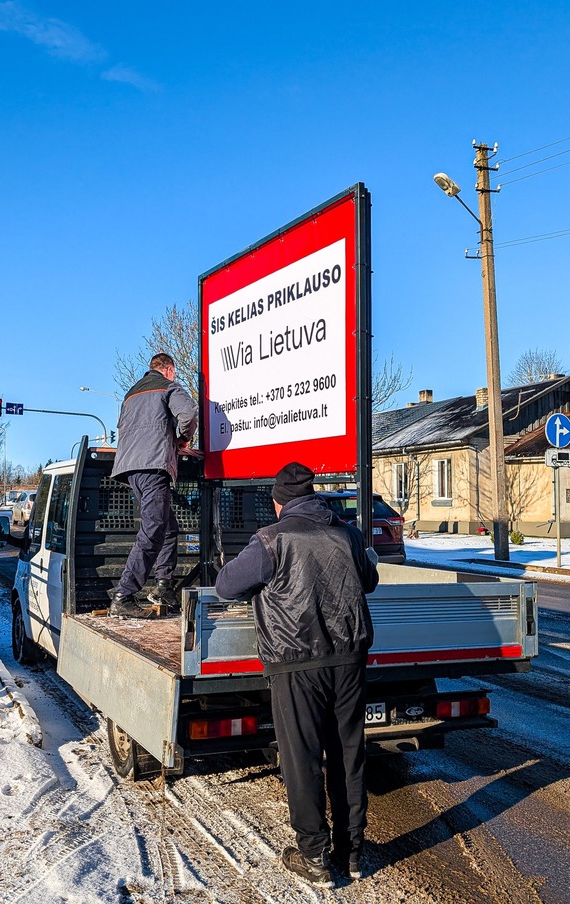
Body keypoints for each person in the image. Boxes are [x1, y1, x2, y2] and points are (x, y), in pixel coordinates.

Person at [214, 462, 379, 887]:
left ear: (278, 502)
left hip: (296, 662)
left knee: (302, 759)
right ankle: (353, 852)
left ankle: (314, 856)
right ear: (315, 496)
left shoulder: (271, 539)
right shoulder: (347, 533)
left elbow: (226, 585)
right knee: (348, 754)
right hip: (349, 659)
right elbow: (370, 579)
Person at [109, 352, 198, 619]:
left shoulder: (131, 394)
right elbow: (189, 413)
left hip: (130, 468)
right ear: (169, 369)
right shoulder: (168, 386)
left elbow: (130, 429)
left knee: (168, 527)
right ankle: (123, 595)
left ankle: (163, 586)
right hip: (153, 467)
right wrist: (182, 441)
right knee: (153, 529)